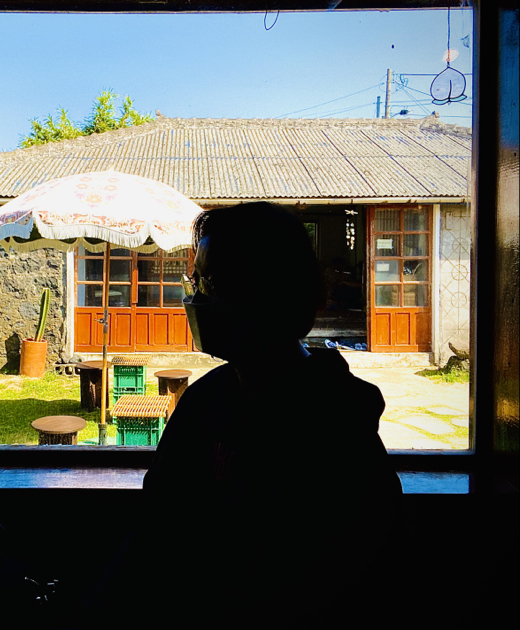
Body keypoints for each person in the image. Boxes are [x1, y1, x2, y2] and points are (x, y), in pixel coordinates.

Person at [74, 202, 401, 630]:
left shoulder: (335, 429)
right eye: (196, 281)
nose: (195, 298)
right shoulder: (204, 401)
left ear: (267, 291)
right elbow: (153, 532)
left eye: (210, 282)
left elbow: (338, 580)